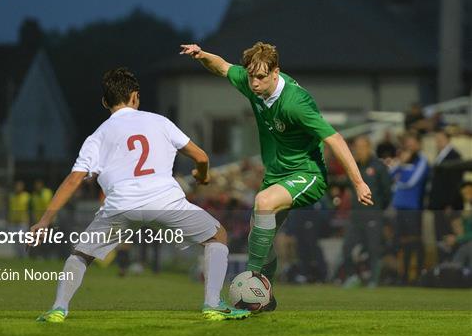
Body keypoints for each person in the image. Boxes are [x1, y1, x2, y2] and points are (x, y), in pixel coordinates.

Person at [32, 68, 250, 322]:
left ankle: (58, 308)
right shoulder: (160, 122)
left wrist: (44, 221)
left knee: (81, 254)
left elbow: (73, 180)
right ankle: (212, 304)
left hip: (121, 206)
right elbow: (201, 156)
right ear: (135, 97)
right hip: (166, 202)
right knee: (217, 235)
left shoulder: (98, 135)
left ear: (105, 102)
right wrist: (202, 175)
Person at [180, 42, 373, 310]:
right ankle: (264, 298)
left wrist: (358, 182)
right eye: (251, 76)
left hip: (308, 174)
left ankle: (250, 281)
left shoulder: (296, 103)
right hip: (276, 175)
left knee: (263, 202)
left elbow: (336, 139)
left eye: (260, 77)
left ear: (275, 72)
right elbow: (223, 67)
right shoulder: (251, 82)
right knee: (258, 238)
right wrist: (201, 56)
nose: (255, 83)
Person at [341, 136, 392, 288]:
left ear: (369, 147)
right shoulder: (353, 167)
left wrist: (377, 209)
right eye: (356, 147)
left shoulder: (379, 167)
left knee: (373, 249)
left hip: (373, 215)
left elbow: (387, 193)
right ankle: (352, 277)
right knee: (347, 248)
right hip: (355, 215)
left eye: (362, 147)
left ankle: (373, 280)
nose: (358, 150)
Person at [390, 131, 430, 284]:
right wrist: (400, 163)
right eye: (408, 142)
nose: (409, 145)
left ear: (418, 144)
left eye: (412, 142)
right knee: (403, 242)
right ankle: (404, 276)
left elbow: (412, 182)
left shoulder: (422, 160)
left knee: (415, 242)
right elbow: (389, 175)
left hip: (413, 208)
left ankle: (419, 275)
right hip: (399, 206)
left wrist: (398, 182)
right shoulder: (402, 159)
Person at [427, 130, 462, 243]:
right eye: (437, 139)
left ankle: (449, 260)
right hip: (439, 203)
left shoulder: (454, 156)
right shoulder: (440, 155)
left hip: (446, 204)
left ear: (447, 139)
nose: (438, 141)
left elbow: (455, 182)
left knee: (447, 233)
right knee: (439, 233)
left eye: (440, 139)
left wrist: (450, 203)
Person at [8, 181, 31, 257]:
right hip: (13, 221)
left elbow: (29, 208)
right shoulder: (12, 196)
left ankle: (24, 255)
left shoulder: (26, 196)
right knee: (14, 240)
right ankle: (17, 255)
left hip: (22, 221)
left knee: (22, 240)